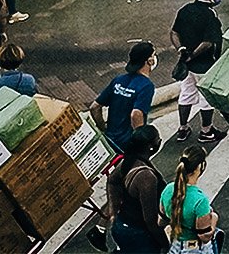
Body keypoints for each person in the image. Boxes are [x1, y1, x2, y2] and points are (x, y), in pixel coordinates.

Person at [170, 0, 228, 144]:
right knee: (206, 98)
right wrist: (193, 55)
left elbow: (174, 33)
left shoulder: (185, 10)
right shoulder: (210, 16)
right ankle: (206, 131)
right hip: (204, 65)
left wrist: (181, 50)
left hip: (186, 65)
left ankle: (183, 128)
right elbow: (208, 42)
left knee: (186, 94)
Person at [102, 125, 168, 254]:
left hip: (121, 226)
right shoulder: (146, 177)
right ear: (151, 146)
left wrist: (113, 211)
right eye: (158, 140)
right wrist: (164, 243)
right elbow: (150, 220)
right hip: (139, 236)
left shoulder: (128, 161)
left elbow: (112, 182)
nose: (160, 142)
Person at [90, 41, 156, 152]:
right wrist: (139, 143)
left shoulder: (118, 80)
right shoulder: (146, 86)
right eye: (154, 55)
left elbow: (94, 107)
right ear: (149, 61)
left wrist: (103, 128)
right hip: (127, 144)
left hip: (110, 141)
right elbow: (136, 114)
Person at [161, 145, 220, 254]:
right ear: (200, 166)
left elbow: (161, 221)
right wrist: (214, 218)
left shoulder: (168, 189)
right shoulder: (200, 201)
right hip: (195, 248)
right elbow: (205, 236)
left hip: (175, 245)